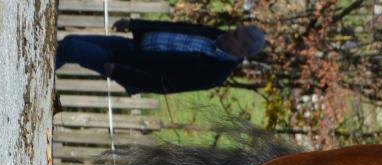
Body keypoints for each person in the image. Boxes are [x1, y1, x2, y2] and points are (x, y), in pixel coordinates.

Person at [56, 19, 267, 95]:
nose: (229, 33)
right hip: (131, 45)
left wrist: (120, 73)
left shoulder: (215, 73)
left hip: (126, 64)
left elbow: (165, 84)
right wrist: (134, 24)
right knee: (71, 41)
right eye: (235, 30)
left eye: (236, 36)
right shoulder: (216, 34)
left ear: (241, 52)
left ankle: (38, 71)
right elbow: (173, 27)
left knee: (72, 48)